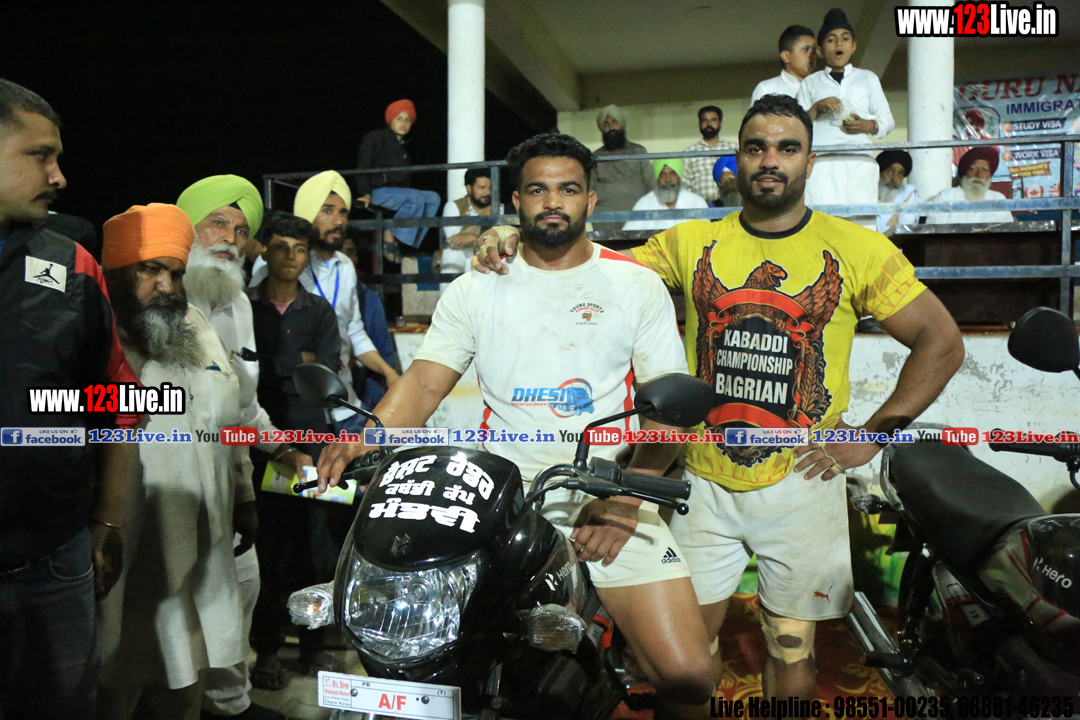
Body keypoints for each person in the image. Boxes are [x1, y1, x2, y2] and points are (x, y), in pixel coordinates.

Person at [471, 94, 965, 707]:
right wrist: (512, 237)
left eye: (787, 148)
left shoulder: (858, 248)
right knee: (690, 656)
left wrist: (872, 434)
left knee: (792, 647)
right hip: (698, 479)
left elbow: (941, 342)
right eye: (756, 147)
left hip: (801, 478)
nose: (770, 160)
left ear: (809, 161)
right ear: (738, 158)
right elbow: (584, 264)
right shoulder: (690, 242)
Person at [318, 133, 715, 720]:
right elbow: (425, 382)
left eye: (568, 189)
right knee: (437, 653)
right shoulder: (477, 285)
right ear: (516, 200)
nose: (553, 202)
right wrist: (365, 436)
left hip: (607, 489)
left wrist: (627, 500)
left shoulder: (634, 284)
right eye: (537, 190)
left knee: (688, 676)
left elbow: (669, 410)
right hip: (500, 497)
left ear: (590, 199)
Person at [0, 78, 142, 720]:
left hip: (53, 562)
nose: (59, 177)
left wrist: (107, 522)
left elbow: (118, 403)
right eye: (40, 156)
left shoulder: (71, 266)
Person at [95, 204, 251, 720]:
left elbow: (230, 417)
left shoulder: (196, 326)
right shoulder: (92, 334)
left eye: (176, 273)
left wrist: (245, 495)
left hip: (201, 551)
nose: (166, 286)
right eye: (150, 270)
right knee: (114, 682)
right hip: (127, 551)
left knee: (187, 683)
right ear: (116, 273)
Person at [176, 176, 305, 720]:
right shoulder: (158, 297)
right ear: (187, 229)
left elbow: (243, 405)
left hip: (228, 473)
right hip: (167, 478)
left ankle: (229, 703)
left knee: (240, 587)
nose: (229, 238)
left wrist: (283, 449)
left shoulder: (238, 306)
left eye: (239, 228)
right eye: (217, 223)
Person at [246, 212, 342, 692]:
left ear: (308, 256)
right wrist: (295, 364)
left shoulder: (319, 311)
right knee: (266, 549)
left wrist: (270, 365)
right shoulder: (244, 307)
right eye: (281, 246)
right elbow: (242, 376)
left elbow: (325, 375)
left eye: (299, 248)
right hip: (259, 446)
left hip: (313, 446)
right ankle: (266, 650)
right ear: (265, 250)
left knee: (315, 551)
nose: (290, 256)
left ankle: (313, 649)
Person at [251, 170, 399, 433]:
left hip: (344, 404)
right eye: (327, 211)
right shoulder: (274, 268)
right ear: (307, 214)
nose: (338, 220)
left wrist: (389, 374)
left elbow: (354, 331)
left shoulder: (346, 266)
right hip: (292, 409)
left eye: (343, 213)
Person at [798, 8, 895, 229]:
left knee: (861, 226)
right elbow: (796, 125)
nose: (838, 44)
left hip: (859, 159)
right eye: (831, 40)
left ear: (854, 46)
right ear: (820, 51)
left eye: (845, 38)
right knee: (821, 224)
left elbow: (887, 120)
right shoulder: (810, 83)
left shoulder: (867, 79)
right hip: (821, 162)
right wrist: (817, 107)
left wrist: (866, 125)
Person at [355, 99, 441, 260]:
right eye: (399, 118)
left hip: (398, 193)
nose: (403, 123)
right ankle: (390, 234)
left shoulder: (403, 150)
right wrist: (365, 193)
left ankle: (407, 244)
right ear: (391, 120)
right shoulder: (376, 137)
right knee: (415, 197)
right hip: (378, 191)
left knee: (433, 198)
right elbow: (362, 168)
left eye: (407, 120)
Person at [342, 234, 400, 408]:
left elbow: (384, 354)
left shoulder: (369, 300)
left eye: (349, 252)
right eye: (338, 252)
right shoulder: (310, 292)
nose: (344, 259)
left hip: (361, 395)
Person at [592, 104, 655, 232]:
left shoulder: (638, 151)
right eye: (606, 124)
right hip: (605, 219)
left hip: (637, 216)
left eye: (614, 122)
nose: (611, 128)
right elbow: (590, 188)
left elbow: (651, 183)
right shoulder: (596, 157)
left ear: (622, 124)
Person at [926, 147, 1014, 225]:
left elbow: (1008, 233)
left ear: (989, 175)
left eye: (984, 170)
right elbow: (934, 231)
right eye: (973, 169)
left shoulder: (998, 199)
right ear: (965, 172)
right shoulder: (947, 197)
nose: (979, 175)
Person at [623, 158, 708, 232]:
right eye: (663, 174)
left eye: (673, 174)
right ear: (657, 178)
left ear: (679, 177)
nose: (668, 179)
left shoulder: (696, 202)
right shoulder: (644, 204)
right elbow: (628, 235)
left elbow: (705, 236)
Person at [440, 167, 493, 284]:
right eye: (482, 188)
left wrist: (474, 238)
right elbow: (454, 240)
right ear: (469, 188)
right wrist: (481, 218)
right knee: (452, 254)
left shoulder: (496, 208)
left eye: (490, 188)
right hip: (462, 254)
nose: (487, 193)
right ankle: (449, 295)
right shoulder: (454, 206)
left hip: (483, 254)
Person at [681, 106, 739, 206]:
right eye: (705, 120)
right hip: (701, 208)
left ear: (720, 124)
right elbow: (684, 186)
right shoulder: (690, 152)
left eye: (713, 120)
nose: (709, 124)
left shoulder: (734, 149)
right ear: (699, 124)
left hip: (731, 205)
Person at [751, 25, 818, 103]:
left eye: (814, 52)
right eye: (806, 50)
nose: (812, 56)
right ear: (786, 56)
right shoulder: (767, 89)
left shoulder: (823, 85)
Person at [876, 150, 922, 235]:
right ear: (880, 172)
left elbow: (905, 231)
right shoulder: (868, 193)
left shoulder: (908, 194)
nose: (894, 179)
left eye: (900, 174)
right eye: (889, 172)